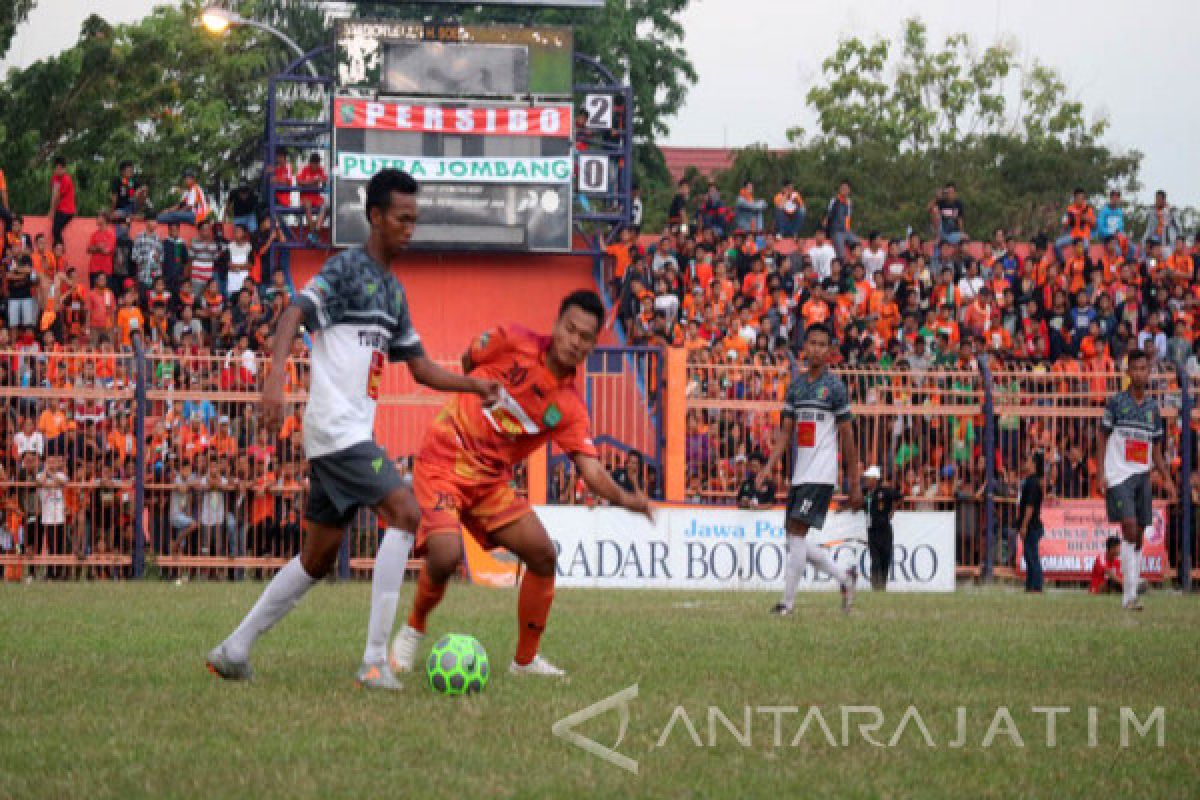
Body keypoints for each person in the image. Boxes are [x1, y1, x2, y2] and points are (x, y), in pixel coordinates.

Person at [205, 168, 501, 689]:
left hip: (343, 435)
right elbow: (294, 310)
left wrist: (475, 386)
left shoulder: (392, 292)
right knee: (406, 511)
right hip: (336, 430)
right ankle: (374, 661)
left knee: (316, 558)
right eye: (401, 219)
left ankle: (234, 648)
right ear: (375, 216)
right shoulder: (345, 270)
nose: (410, 228)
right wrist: (274, 377)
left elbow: (422, 367)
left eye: (415, 219)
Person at [389, 291, 654, 678]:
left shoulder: (570, 408)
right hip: (446, 457)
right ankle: (413, 631)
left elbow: (592, 471)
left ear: (593, 345)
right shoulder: (512, 340)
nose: (574, 341)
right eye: (570, 330)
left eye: (584, 337)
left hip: (490, 482)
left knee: (543, 555)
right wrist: (472, 400)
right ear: (557, 325)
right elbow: (468, 360)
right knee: (445, 556)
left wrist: (628, 500)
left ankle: (525, 662)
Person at [756, 323, 862, 615]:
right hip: (801, 474)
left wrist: (853, 483)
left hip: (822, 474)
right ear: (805, 347)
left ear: (829, 351)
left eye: (821, 344)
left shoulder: (836, 388)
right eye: (811, 343)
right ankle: (844, 577)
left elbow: (848, 436)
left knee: (797, 534)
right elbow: (785, 433)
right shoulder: (796, 386)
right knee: (794, 540)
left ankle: (787, 605)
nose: (815, 349)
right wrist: (768, 467)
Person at [1097, 350, 1171, 611]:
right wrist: (1100, 473)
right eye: (1135, 368)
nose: (1140, 373)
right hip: (1118, 475)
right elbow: (1102, 436)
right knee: (1128, 525)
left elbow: (1156, 449)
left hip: (1142, 475)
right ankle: (1130, 596)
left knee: (1138, 535)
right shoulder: (1116, 403)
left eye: (1144, 368)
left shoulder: (1153, 409)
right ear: (1128, 373)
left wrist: (1166, 477)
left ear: (1149, 372)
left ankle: (1129, 594)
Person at [863, 465, 901, 590]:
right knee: (875, 560)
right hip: (872, 530)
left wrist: (892, 510)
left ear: (875, 479)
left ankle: (882, 586)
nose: (866, 480)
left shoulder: (884, 491)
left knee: (885, 558)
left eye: (868, 478)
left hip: (884, 529)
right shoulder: (866, 492)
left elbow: (899, 496)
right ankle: (875, 587)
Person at [1016, 451, 1045, 593]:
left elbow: (1030, 506)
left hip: (1032, 525)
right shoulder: (1033, 481)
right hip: (1032, 524)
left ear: (1034, 464)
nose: (1025, 463)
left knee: (1032, 555)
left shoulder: (1032, 482)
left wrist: (1024, 525)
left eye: (1027, 460)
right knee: (1028, 555)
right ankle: (1030, 585)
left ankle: (1036, 586)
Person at [48, 157, 77, 247]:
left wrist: (52, 211)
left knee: (56, 230)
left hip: (67, 211)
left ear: (64, 169)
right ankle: (58, 249)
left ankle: (60, 249)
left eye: (60, 168)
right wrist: (51, 209)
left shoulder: (66, 179)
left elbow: (57, 197)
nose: (58, 170)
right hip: (60, 209)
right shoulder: (55, 178)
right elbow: (54, 194)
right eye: (57, 168)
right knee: (56, 231)